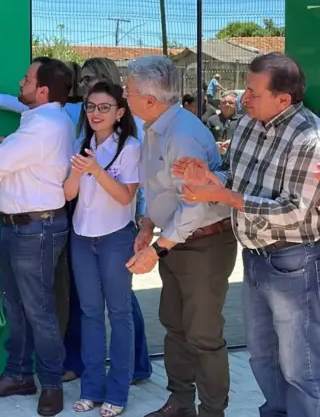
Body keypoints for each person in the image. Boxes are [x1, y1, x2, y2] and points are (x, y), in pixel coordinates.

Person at [0, 57, 152, 385]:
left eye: (93, 79)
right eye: (84, 80)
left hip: (117, 225)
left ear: (115, 103)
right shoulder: (78, 116)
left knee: (120, 305)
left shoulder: (127, 134)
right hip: (78, 217)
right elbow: (39, 123)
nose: (86, 85)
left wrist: (142, 221)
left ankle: (135, 366)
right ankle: (80, 367)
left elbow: (133, 188)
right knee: (84, 302)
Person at [174, 53, 320, 417]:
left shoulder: (309, 138)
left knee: (300, 364)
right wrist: (209, 180)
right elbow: (235, 177)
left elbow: (293, 210)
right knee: (263, 355)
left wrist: (221, 196)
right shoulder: (247, 123)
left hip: (293, 262)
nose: (244, 99)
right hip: (253, 258)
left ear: (283, 99)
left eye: (253, 92)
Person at [124, 56, 236, 417]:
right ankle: (180, 402)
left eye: (129, 90)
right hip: (176, 241)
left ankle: (212, 411)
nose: (125, 95)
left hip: (202, 243)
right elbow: (161, 192)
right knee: (174, 326)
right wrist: (146, 226)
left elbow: (195, 207)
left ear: (150, 99)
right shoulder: (154, 129)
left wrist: (157, 249)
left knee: (203, 336)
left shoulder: (182, 134)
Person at [0, 56, 75, 417]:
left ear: (43, 90)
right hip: (23, 226)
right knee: (16, 305)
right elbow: (13, 152)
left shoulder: (43, 125)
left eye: (27, 79)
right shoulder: (43, 118)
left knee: (38, 309)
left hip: (35, 229)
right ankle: (18, 374)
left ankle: (50, 384)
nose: (21, 82)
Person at [63, 82, 140, 417]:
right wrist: (79, 173)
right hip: (82, 236)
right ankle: (91, 390)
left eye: (103, 107)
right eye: (90, 107)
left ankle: (118, 392)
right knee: (90, 315)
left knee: (119, 314)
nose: (95, 113)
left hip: (115, 238)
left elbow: (126, 197)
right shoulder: (82, 145)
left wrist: (95, 170)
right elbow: (68, 195)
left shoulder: (131, 147)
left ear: (120, 112)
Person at [204, 90, 242, 155]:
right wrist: (215, 146)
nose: (227, 105)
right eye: (224, 103)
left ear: (236, 105)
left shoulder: (242, 121)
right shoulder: (212, 120)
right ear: (220, 105)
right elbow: (205, 140)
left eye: (230, 103)